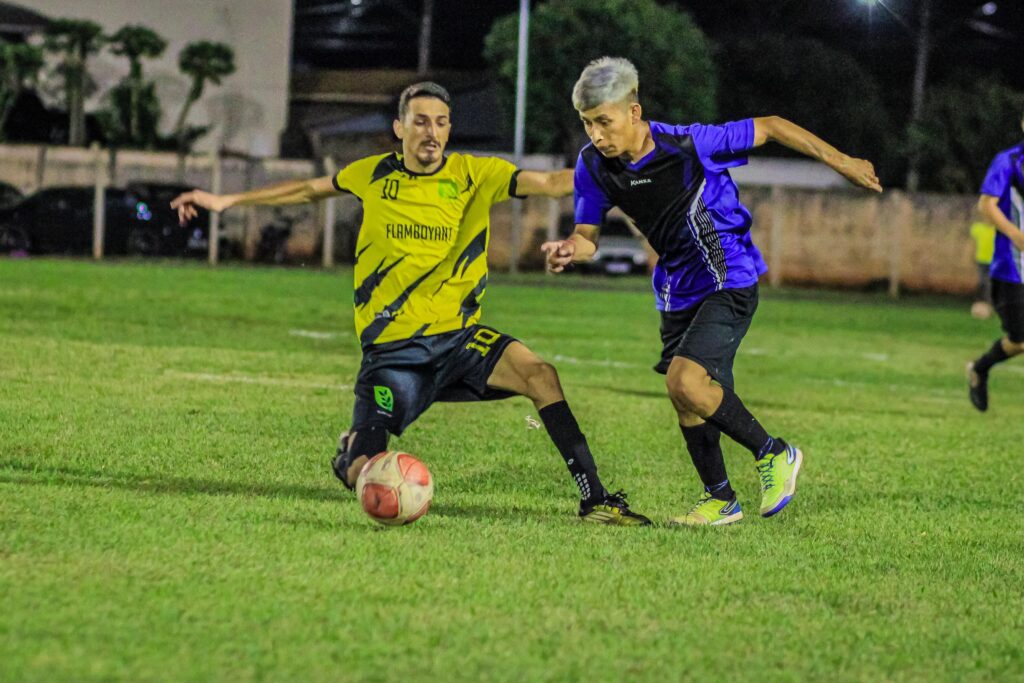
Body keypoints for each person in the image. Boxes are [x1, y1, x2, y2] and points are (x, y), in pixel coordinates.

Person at [171, 81, 650, 525]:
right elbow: (305, 190)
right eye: (421, 121)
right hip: (394, 354)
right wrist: (226, 203)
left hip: (460, 340)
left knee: (540, 374)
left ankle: (595, 499)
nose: (432, 132)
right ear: (399, 129)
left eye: (441, 122)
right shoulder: (373, 174)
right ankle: (350, 457)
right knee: (365, 472)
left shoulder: (474, 174)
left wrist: (621, 161)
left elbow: (550, 183)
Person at [543, 57, 882, 526]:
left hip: (728, 275)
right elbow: (587, 236)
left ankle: (774, 453)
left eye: (605, 121)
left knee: (683, 380)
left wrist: (841, 162)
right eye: (587, 123)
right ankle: (720, 498)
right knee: (688, 397)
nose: (597, 134)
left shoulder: (688, 143)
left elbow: (772, 126)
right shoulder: (592, 166)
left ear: (634, 113)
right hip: (677, 288)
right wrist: (568, 249)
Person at [966, 111, 1024, 412]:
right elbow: (986, 205)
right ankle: (981, 367)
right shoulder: (1009, 161)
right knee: (1020, 339)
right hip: (1012, 265)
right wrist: (1015, 233)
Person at [969, 213, 995, 319]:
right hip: (981, 260)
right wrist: (971, 255)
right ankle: (983, 305)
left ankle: (990, 305)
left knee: (989, 283)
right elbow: (972, 244)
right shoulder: (977, 228)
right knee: (982, 282)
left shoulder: (996, 230)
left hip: (994, 261)